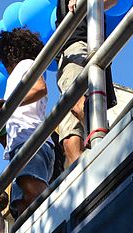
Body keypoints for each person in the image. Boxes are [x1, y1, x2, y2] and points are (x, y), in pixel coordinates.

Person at [0, 28, 55, 217]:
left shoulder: (25, 64)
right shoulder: (17, 76)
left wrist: (9, 104)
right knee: (21, 208)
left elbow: (40, 89)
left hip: (31, 142)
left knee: (35, 197)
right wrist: (3, 111)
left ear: (10, 52)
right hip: (24, 144)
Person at [54, 0, 118, 166]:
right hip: (69, 53)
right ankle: (87, 174)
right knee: (69, 136)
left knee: (77, 105)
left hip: (81, 46)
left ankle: (104, 154)